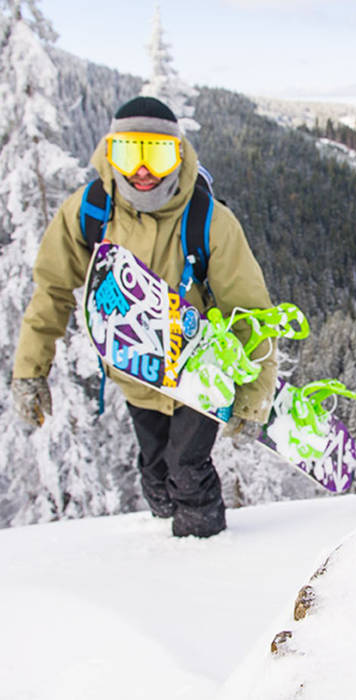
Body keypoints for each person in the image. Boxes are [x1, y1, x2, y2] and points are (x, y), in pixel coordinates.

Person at [10, 96, 277, 538]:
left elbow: (248, 310)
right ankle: (163, 547)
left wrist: (254, 392)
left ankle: (205, 553)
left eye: (157, 155)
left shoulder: (209, 220)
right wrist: (30, 370)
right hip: (136, 372)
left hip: (200, 372)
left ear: (179, 155)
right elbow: (52, 291)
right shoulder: (90, 211)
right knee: (155, 475)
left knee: (186, 469)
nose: (142, 171)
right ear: (110, 152)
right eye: (129, 153)